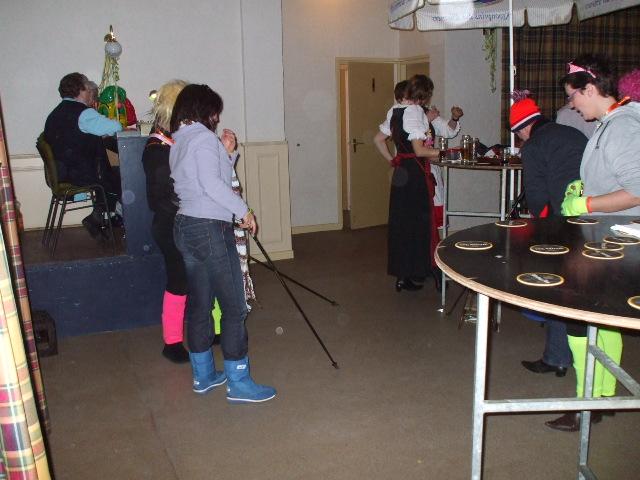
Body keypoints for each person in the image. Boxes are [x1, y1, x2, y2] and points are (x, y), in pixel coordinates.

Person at [545, 54, 640, 431]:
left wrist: (586, 203)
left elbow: (637, 190)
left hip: (616, 243)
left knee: (578, 318)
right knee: (603, 320)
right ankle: (601, 397)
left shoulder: (623, 126)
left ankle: (587, 402)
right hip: (608, 239)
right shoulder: (612, 122)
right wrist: (585, 189)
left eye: (573, 96)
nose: (571, 105)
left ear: (590, 88)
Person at [170, 84, 275, 403]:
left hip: (187, 226)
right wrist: (244, 211)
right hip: (208, 229)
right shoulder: (203, 138)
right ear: (204, 109)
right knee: (234, 307)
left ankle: (203, 376)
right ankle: (239, 382)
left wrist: (227, 153)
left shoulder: (181, 138)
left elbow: (209, 178)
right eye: (215, 111)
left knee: (201, 305)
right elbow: (213, 185)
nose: (217, 117)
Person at [509, 93, 587, 383]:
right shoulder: (572, 133)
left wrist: (539, 233)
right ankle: (569, 355)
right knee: (579, 289)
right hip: (589, 216)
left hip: (559, 222)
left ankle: (558, 357)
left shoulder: (533, 146)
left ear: (522, 128)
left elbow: (537, 197)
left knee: (556, 289)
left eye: (517, 133)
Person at [373, 75, 441, 292]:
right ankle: (421, 269)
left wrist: (393, 160)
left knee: (402, 223)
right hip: (415, 173)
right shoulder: (415, 112)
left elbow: (378, 139)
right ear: (424, 94)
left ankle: (404, 274)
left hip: (401, 172)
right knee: (419, 223)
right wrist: (446, 153)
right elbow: (420, 151)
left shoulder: (395, 111)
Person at [142, 79, 190, 363]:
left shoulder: (174, 143)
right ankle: (172, 342)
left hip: (183, 220)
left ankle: (216, 330)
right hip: (170, 224)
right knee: (179, 280)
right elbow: (159, 198)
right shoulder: (157, 148)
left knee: (204, 275)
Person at [44, 72, 123, 239]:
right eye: (88, 88)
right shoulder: (83, 114)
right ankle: (107, 218)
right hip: (81, 174)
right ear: (80, 90)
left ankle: (101, 216)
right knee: (123, 176)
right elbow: (116, 127)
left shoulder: (54, 115)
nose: (90, 92)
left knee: (110, 175)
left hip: (61, 173)